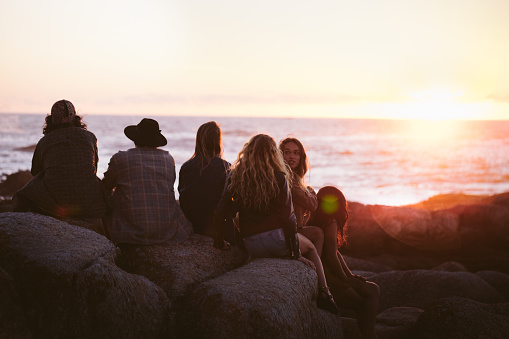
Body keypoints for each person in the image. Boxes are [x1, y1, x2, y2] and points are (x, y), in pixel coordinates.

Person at [213, 134, 339, 313]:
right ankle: (326, 294)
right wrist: (295, 253)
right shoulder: (280, 177)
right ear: (274, 154)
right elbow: (289, 218)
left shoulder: (236, 175)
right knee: (311, 248)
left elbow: (221, 212)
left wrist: (219, 242)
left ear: (248, 152)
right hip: (277, 241)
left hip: (251, 244)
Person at [12, 100, 107, 233]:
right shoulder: (90, 137)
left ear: (51, 120)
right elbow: (94, 166)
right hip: (88, 200)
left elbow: (36, 171)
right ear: (75, 118)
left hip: (56, 201)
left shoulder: (45, 141)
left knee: (30, 187)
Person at [102, 118, 192, 246]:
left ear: (135, 139)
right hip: (165, 230)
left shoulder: (120, 158)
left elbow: (106, 186)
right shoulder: (168, 159)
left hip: (130, 232)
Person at [309, 186, 380, 339]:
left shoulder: (314, 217)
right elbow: (330, 256)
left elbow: (335, 253)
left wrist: (350, 275)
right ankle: (369, 335)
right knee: (368, 296)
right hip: (327, 276)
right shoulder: (331, 220)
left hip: (325, 272)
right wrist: (344, 278)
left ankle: (368, 334)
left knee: (370, 291)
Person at [178, 121, 237, 243]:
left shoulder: (186, 167)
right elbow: (232, 207)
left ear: (198, 141)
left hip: (192, 226)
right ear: (218, 142)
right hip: (218, 230)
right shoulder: (226, 167)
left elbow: (183, 197)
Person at [279, 137, 324, 254]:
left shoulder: (294, 178)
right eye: (287, 152)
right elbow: (312, 204)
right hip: (287, 230)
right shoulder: (287, 178)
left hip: (293, 228)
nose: (292, 156)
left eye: (296, 153)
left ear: (301, 157)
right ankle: (314, 271)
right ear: (280, 155)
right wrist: (310, 191)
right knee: (318, 233)